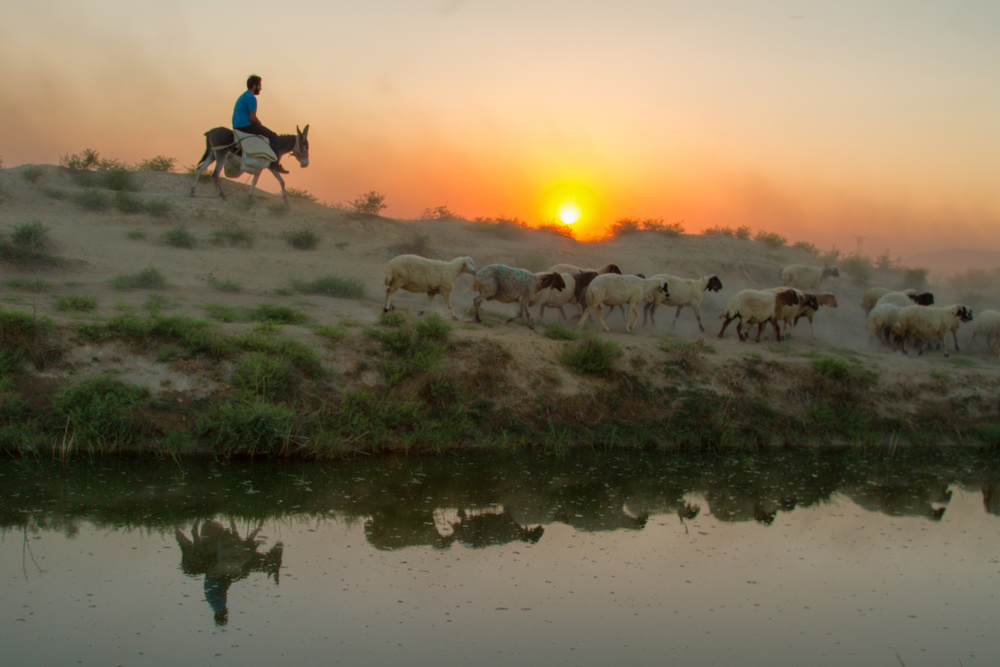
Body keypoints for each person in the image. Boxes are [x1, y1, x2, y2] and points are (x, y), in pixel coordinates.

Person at [232, 74, 288, 173]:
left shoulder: (244, 95)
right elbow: (252, 117)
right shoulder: (251, 98)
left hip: (237, 124)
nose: (260, 88)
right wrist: (260, 124)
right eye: (259, 85)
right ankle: (275, 165)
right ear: (254, 86)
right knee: (273, 136)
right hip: (245, 125)